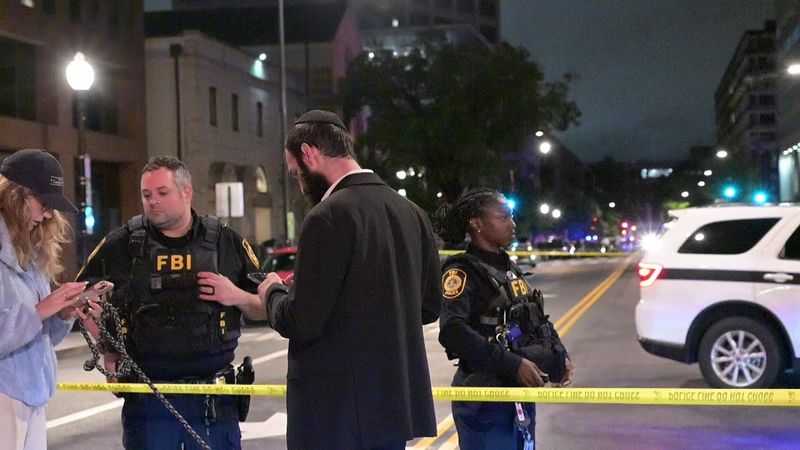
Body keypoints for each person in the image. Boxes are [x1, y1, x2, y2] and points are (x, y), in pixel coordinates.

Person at [257, 110, 441, 449]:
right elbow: (429, 308)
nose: (300, 186)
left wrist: (272, 293)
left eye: (297, 173)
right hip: (391, 410)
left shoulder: (326, 217)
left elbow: (302, 321)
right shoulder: (412, 213)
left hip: (335, 415)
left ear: (309, 153)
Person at [76, 156, 266, 450]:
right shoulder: (122, 245)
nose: (153, 202)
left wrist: (236, 295)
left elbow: (265, 307)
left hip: (213, 402)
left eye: (162, 193)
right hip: (149, 399)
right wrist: (107, 348)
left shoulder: (225, 242)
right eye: (146, 195)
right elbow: (80, 297)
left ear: (186, 192)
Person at [432, 188, 574, 450]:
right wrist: (512, 364)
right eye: (504, 218)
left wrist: (559, 354)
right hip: (484, 400)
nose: (512, 224)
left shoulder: (508, 268)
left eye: (511, 217)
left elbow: (534, 318)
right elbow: (452, 330)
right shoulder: (461, 272)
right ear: (476, 224)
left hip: (517, 394)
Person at [0, 149, 101, 450]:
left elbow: (38, 336)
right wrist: (41, 309)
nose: (47, 215)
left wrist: (60, 314)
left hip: (31, 396)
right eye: (44, 204)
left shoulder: (29, 253)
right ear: (16, 196)